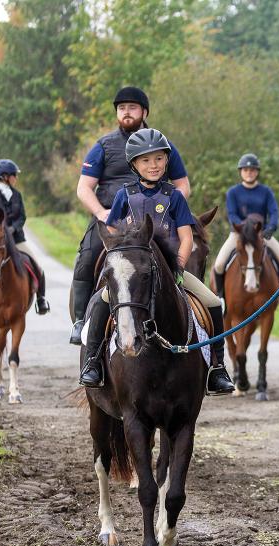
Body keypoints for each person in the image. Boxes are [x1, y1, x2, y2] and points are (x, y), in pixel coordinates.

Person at [79, 129, 234, 396]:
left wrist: (179, 268)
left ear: (166, 161)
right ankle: (93, 361)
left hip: (170, 269)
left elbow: (186, 238)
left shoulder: (174, 197)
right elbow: (113, 232)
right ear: (134, 165)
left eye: (159, 159)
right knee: (102, 301)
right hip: (135, 270)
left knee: (213, 302)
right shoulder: (123, 196)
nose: (153, 166)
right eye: (146, 161)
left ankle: (217, 368)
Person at [69, 86, 191, 345]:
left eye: (132, 108)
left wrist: (170, 207)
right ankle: (81, 320)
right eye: (121, 108)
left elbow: (183, 185)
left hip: (159, 222)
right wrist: (102, 213)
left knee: (196, 256)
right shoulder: (103, 145)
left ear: (144, 111)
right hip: (112, 221)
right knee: (87, 259)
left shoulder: (164, 144)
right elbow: (84, 188)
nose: (126, 112)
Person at [212, 153, 279, 308]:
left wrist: (271, 228)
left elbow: (274, 212)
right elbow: (232, 214)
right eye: (246, 170)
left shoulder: (266, 192)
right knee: (219, 264)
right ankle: (221, 298)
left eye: (252, 170)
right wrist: (242, 228)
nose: (249, 172)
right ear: (241, 171)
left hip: (261, 234)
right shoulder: (233, 192)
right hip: (238, 234)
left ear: (257, 172)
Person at [0, 159, 50, 314]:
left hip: (17, 240)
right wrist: (3, 230)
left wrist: (13, 228)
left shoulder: (17, 195)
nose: (16, 178)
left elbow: (22, 217)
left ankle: (41, 300)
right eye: (14, 175)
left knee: (37, 267)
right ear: (5, 176)